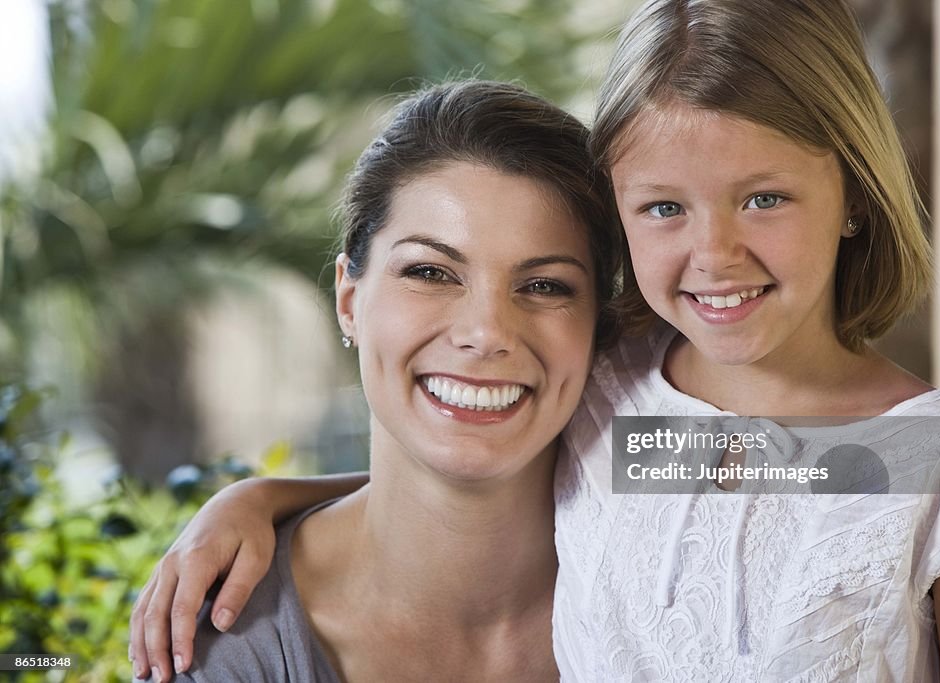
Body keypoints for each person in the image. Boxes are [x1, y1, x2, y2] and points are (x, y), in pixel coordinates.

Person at [132, 1, 940, 681]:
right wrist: (256, 498)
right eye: (664, 207)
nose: (714, 254)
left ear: (857, 194)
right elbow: (455, 465)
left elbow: (824, 467)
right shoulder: (620, 398)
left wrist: (258, 496)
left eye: (765, 198)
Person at [131, 79, 622, 682]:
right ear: (348, 298)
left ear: (600, 322)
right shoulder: (225, 641)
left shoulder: (665, 493)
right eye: (430, 272)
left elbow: (775, 457)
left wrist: (261, 495)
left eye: (546, 285)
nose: (487, 332)